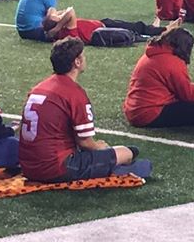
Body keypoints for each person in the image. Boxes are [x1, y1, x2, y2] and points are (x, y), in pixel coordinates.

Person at [18, 37, 152, 183]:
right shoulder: (73, 93)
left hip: (28, 166)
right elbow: (85, 143)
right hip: (56, 167)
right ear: (77, 62)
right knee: (129, 152)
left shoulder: (39, 88)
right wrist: (100, 147)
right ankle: (117, 171)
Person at [125, 26, 194, 129]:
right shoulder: (173, 62)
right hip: (148, 114)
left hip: (134, 109)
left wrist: (193, 87)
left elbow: (168, 83)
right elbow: (188, 96)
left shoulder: (153, 54)